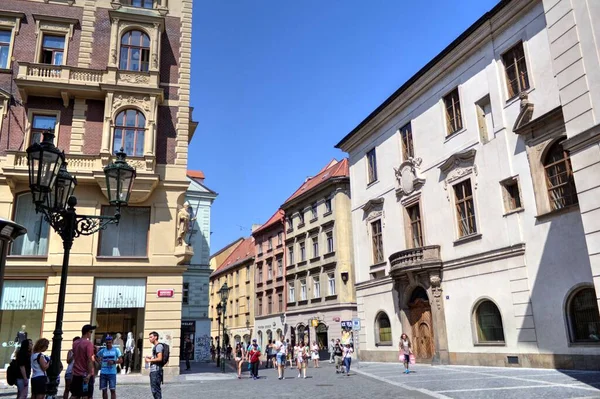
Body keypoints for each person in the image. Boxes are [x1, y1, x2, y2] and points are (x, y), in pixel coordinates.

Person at [71, 324, 97, 399]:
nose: (91, 334)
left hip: (76, 373)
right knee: (86, 395)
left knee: (74, 394)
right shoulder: (88, 343)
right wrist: (89, 374)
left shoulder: (75, 343)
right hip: (85, 374)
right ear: (87, 332)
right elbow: (89, 359)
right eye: (91, 332)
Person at [145, 331, 164, 399]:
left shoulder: (158, 346)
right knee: (155, 389)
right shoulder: (155, 346)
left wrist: (149, 360)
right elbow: (156, 357)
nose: (149, 339)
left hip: (156, 371)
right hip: (154, 371)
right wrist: (150, 357)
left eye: (151, 337)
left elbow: (159, 358)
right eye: (149, 337)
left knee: (155, 390)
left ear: (155, 337)